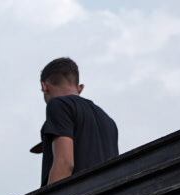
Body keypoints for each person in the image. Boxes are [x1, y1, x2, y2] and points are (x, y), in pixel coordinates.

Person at [34, 57, 119, 187]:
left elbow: (65, 163)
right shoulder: (109, 121)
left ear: (44, 86)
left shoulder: (58, 105)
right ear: (80, 88)